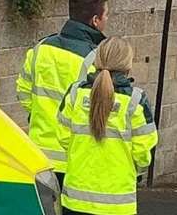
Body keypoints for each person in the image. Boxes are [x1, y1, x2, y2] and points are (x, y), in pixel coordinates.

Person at [56, 37, 158, 215]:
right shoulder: (135, 101)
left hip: (75, 200)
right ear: (128, 65)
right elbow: (143, 154)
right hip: (118, 204)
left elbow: (63, 138)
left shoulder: (75, 94)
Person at [19, 0, 110, 172]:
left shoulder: (41, 48)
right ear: (95, 20)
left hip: (38, 154)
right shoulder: (96, 59)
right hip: (74, 159)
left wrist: (41, 118)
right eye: (106, 15)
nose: (107, 20)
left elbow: (24, 93)